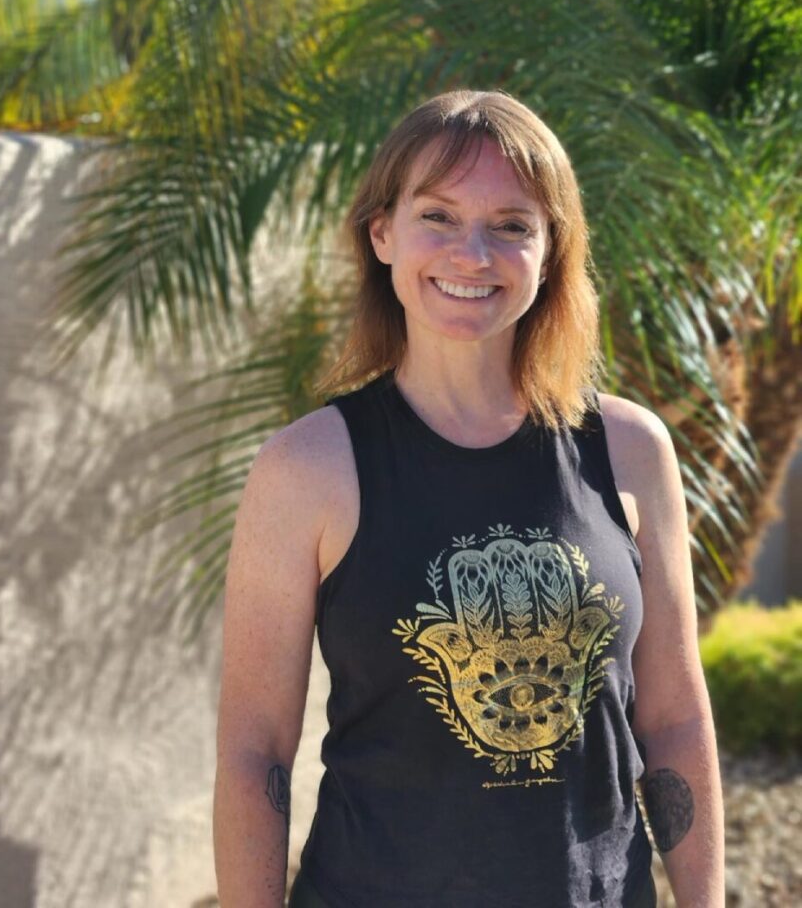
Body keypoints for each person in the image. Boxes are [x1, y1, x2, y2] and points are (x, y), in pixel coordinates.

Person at [212, 90, 725, 907]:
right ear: (382, 234)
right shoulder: (306, 468)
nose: (472, 254)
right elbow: (256, 749)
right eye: (439, 217)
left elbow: (673, 721)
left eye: (513, 225)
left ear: (554, 250)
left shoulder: (631, 451)